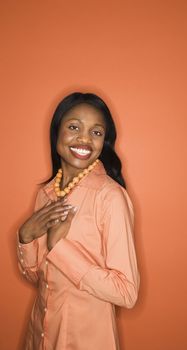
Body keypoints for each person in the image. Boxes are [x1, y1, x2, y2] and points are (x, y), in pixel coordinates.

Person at [17, 92, 140, 350]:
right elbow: (38, 278)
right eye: (74, 127)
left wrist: (59, 249)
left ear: (104, 141)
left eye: (96, 132)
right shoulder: (46, 194)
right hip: (39, 335)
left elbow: (126, 293)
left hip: (87, 341)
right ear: (56, 133)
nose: (84, 138)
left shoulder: (110, 197)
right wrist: (25, 238)